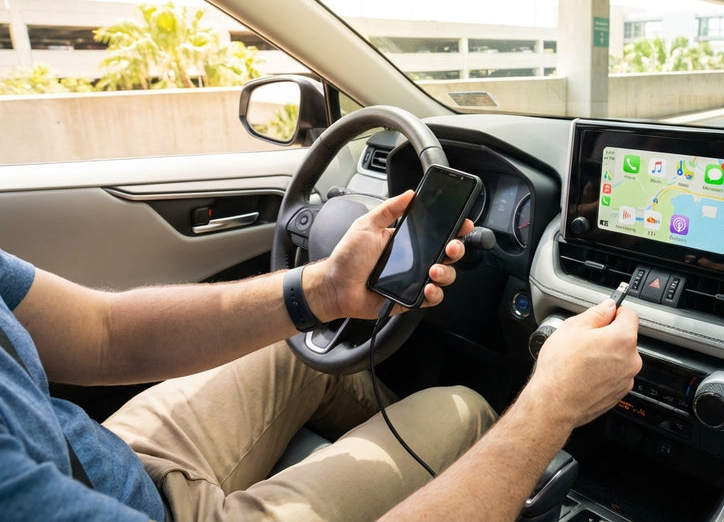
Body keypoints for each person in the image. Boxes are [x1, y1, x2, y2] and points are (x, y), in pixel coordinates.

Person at [0, 189, 641, 521]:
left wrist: (324, 289)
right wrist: (548, 410)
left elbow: (103, 331)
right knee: (467, 409)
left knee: (298, 352)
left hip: (98, 458)